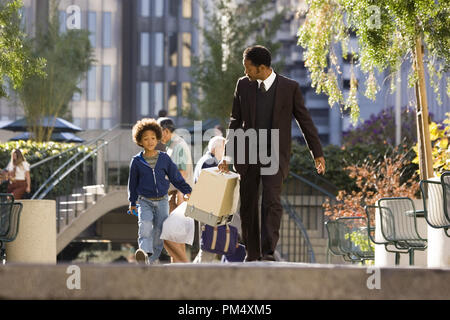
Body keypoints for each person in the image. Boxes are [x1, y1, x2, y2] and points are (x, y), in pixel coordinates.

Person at [219, 45, 325, 262]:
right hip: (247, 154)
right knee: (248, 204)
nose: (245, 72)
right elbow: (235, 121)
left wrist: (317, 153)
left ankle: (267, 252)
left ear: (262, 67)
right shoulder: (243, 85)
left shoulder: (289, 88)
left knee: (271, 201)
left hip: (275, 156)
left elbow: (305, 121)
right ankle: (252, 252)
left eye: (248, 67)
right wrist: (227, 155)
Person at [128, 118, 192, 264]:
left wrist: (185, 191)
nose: (150, 141)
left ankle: (153, 259)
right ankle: (144, 253)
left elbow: (178, 175)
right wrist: (132, 201)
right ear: (140, 141)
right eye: (146, 139)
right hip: (145, 201)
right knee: (144, 227)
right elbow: (132, 184)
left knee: (162, 233)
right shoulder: (137, 161)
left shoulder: (168, 154)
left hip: (166, 199)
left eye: (153, 138)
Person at [157, 117, 194, 263]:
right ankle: (180, 268)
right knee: (175, 236)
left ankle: (184, 265)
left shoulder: (178, 145)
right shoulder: (172, 146)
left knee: (166, 232)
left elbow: (182, 173)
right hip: (174, 194)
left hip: (179, 195)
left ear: (166, 131)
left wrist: (180, 196)